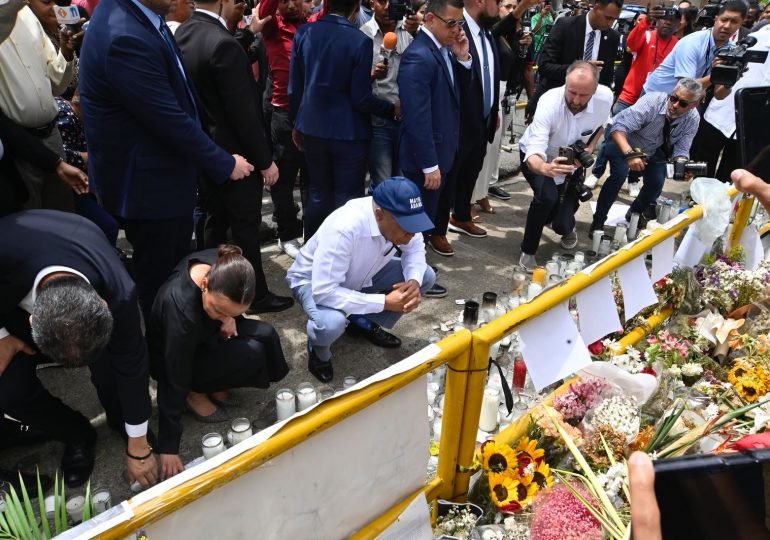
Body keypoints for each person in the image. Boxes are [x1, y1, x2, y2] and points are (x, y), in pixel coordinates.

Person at [78, 0, 255, 322]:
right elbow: (166, 117)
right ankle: (165, 345)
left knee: (171, 270)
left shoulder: (136, 16)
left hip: (158, 173)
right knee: (161, 282)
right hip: (150, 185)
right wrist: (223, 163)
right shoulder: (123, 35)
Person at [0, 210, 157, 489]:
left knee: (111, 373)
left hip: (73, 257)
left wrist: (138, 444)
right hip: (9, 306)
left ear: (104, 305)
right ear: (32, 321)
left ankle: (122, 420)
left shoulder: (120, 291)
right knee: (10, 391)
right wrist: (2, 336)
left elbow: (132, 364)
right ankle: (77, 434)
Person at [176, 0, 294, 315]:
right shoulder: (221, 43)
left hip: (207, 152)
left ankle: (212, 287)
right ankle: (253, 296)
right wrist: (265, 161)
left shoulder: (184, 33)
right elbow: (244, 114)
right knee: (244, 229)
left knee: (215, 223)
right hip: (237, 157)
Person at [149, 245, 289, 480]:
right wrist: (168, 447)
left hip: (204, 333)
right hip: (174, 355)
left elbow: (226, 307)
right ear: (204, 284)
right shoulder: (180, 309)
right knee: (251, 353)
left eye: (230, 312)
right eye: (219, 309)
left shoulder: (227, 267)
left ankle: (212, 383)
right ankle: (193, 393)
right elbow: (174, 373)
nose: (224, 315)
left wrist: (229, 317)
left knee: (266, 334)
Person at [286, 177, 437, 382]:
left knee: (425, 276)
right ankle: (319, 348)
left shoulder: (397, 219)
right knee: (330, 324)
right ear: (379, 214)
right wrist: (384, 302)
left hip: (362, 274)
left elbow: (416, 249)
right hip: (312, 281)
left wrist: (414, 282)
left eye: (415, 224)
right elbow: (324, 292)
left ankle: (361, 320)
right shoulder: (344, 228)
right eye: (406, 226)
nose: (412, 233)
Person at [289, 0, 397, 241]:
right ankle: (343, 251)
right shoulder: (360, 41)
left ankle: (313, 250)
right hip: (350, 133)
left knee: (318, 192)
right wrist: (391, 110)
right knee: (347, 200)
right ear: (356, 9)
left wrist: (297, 122)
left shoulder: (304, 33)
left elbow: (295, 88)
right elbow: (361, 98)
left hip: (313, 128)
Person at [517, 61, 612, 271]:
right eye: (572, 92)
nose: (576, 100)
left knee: (561, 223)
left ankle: (565, 224)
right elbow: (534, 152)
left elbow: (604, 123)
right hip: (541, 157)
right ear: (565, 84)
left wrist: (590, 147)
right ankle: (528, 251)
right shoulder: (549, 102)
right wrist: (546, 169)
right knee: (546, 198)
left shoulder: (605, 96)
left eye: (583, 95)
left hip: (573, 161)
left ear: (595, 90)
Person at [398, 0, 471, 258]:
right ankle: (410, 270)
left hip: (443, 152)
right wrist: (429, 164)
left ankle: (417, 266)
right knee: (414, 224)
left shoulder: (443, 50)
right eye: (451, 23)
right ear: (430, 19)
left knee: (427, 220)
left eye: (459, 23)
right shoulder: (419, 56)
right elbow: (416, 117)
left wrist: (462, 58)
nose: (456, 30)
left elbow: (454, 98)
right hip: (425, 160)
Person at [0, 5, 86, 211]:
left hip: (53, 135)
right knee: (33, 221)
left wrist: (66, 52)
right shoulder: (10, 12)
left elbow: (56, 84)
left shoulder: (26, 14)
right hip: (19, 146)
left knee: (63, 215)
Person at [590, 78, 702, 233]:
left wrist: (682, 164)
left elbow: (682, 148)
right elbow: (619, 129)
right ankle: (598, 220)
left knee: (656, 182)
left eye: (683, 103)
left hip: (651, 148)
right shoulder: (652, 102)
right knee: (618, 175)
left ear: (694, 104)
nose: (675, 105)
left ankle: (634, 214)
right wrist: (630, 154)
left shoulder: (693, 118)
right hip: (623, 140)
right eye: (673, 98)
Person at [586, 6, 678, 192]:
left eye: (672, 21)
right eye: (664, 19)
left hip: (654, 105)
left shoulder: (678, 45)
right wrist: (646, 21)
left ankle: (634, 179)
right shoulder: (647, 35)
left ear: (678, 24)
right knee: (610, 137)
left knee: (644, 142)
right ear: (658, 21)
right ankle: (596, 172)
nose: (667, 23)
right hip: (630, 97)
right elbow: (631, 44)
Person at [259, 0, 309, 259]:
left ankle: (312, 233)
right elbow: (265, 10)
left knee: (311, 178)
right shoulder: (272, 28)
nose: (291, 5)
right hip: (284, 115)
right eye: (284, 1)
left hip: (312, 114)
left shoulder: (311, 25)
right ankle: (287, 234)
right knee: (284, 179)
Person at [691, 26, 770, 182]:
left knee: (731, 175)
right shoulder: (757, 39)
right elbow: (727, 67)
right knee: (703, 168)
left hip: (751, 126)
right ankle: (697, 194)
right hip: (721, 113)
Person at [525, 0, 621, 122]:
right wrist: (578, 68)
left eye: (614, 19)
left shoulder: (612, 37)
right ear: (596, 7)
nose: (610, 23)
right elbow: (545, 66)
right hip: (553, 106)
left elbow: (606, 78)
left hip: (585, 113)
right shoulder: (565, 26)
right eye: (608, 18)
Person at [360, 0, 417, 188]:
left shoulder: (409, 33)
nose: (386, 7)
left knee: (403, 183)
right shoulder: (364, 34)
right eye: (381, 1)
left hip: (406, 120)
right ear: (372, 3)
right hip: (378, 121)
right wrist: (371, 75)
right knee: (382, 183)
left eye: (391, 1)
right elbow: (354, 83)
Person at [642, 0, 747, 96]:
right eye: (724, 20)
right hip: (654, 95)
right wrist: (717, 74)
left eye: (734, 22)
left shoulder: (732, 50)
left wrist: (730, 79)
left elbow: (719, 96)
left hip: (683, 101)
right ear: (716, 19)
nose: (727, 26)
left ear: (741, 24)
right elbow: (686, 87)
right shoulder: (692, 42)